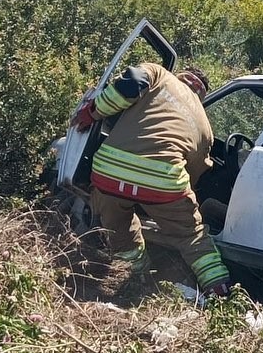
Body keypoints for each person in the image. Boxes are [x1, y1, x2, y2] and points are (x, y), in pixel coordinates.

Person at [72, 63, 232, 297]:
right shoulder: (205, 127)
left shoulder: (160, 74)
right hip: (163, 184)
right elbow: (195, 173)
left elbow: (129, 85)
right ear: (202, 93)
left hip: (109, 172)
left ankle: (138, 279)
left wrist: (92, 113)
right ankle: (221, 294)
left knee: (120, 229)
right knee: (192, 237)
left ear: (183, 76)